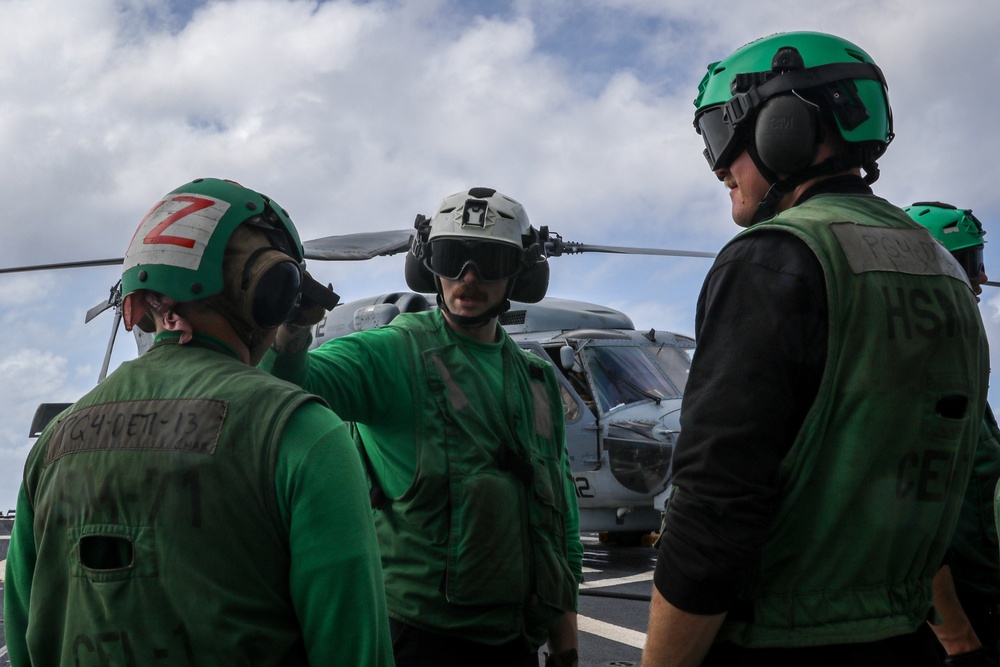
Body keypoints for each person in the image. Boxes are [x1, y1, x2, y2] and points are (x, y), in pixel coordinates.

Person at [641, 32, 989, 666]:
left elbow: (714, 505)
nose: (719, 168)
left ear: (783, 126)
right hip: (904, 637)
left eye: (720, 136)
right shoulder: (944, 271)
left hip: (780, 638)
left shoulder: (774, 258)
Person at [3, 178, 394, 666]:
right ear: (271, 293)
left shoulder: (54, 442)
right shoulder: (304, 433)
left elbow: (23, 634)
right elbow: (355, 649)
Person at [261, 186, 583, 667]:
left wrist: (566, 649)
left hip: (515, 644)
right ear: (428, 265)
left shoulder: (537, 381)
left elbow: (560, 524)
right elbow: (284, 386)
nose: (467, 278)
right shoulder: (394, 352)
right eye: (452, 258)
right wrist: (291, 327)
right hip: (418, 641)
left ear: (521, 272)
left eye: (489, 262)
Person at [906, 201, 1000, 665]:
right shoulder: (911, 372)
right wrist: (959, 641)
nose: (981, 279)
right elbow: (905, 521)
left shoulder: (956, 361)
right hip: (961, 616)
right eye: (970, 262)